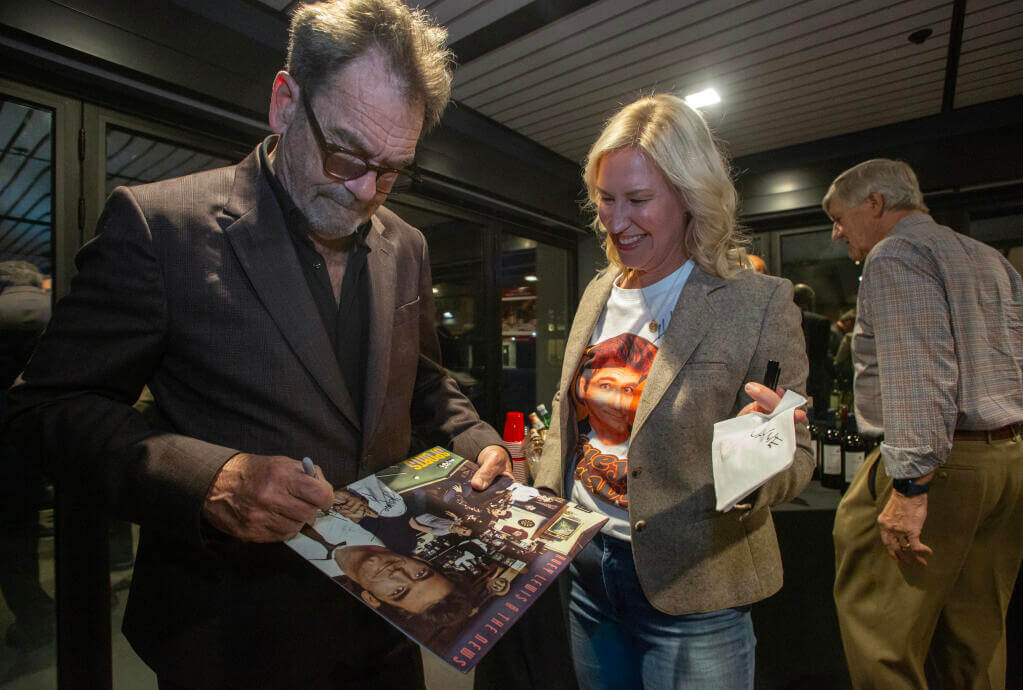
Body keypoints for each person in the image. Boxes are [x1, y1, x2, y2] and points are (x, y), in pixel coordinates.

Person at [5, 1, 512, 687]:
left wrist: (475, 438)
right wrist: (208, 477)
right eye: (346, 153)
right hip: (234, 634)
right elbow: (48, 408)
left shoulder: (408, 245)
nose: (366, 192)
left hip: (386, 624)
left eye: (393, 168)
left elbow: (421, 379)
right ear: (284, 102)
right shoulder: (160, 226)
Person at [532, 93, 814, 690]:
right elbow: (573, 420)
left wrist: (762, 458)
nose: (615, 219)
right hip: (586, 567)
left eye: (638, 200)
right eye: (606, 199)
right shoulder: (599, 291)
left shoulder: (757, 301)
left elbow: (798, 455)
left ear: (691, 198)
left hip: (696, 587)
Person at [825, 159, 1023, 689]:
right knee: (977, 639)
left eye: (840, 218)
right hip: (1006, 462)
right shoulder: (991, 259)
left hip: (938, 468)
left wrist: (910, 487)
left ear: (874, 204)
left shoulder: (897, 255)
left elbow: (916, 371)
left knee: (881, 639)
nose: (837, 232)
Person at [792, 283, 834, 415]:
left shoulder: (787, 319)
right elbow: (822, 356)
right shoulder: (820, 322)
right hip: (814, 381)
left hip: (798, 380)